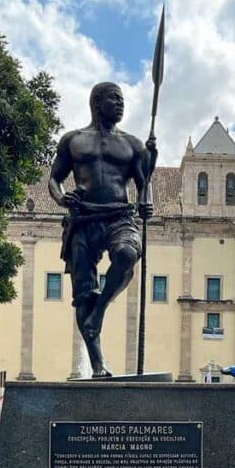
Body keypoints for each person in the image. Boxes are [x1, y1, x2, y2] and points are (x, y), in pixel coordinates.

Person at [49, 81, 156, 377]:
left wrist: (147, 202)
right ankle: (98, 365)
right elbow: (55, 179)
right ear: (97, 102)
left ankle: (100, 310)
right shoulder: (73, 140)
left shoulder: (133, 144)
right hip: (83, 219)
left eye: (122, 100)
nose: (120, 104)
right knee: (83, 292)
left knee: (127, 253)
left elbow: (144, 183)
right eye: (114, 99)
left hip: (119, 216)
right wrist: (61, 197)